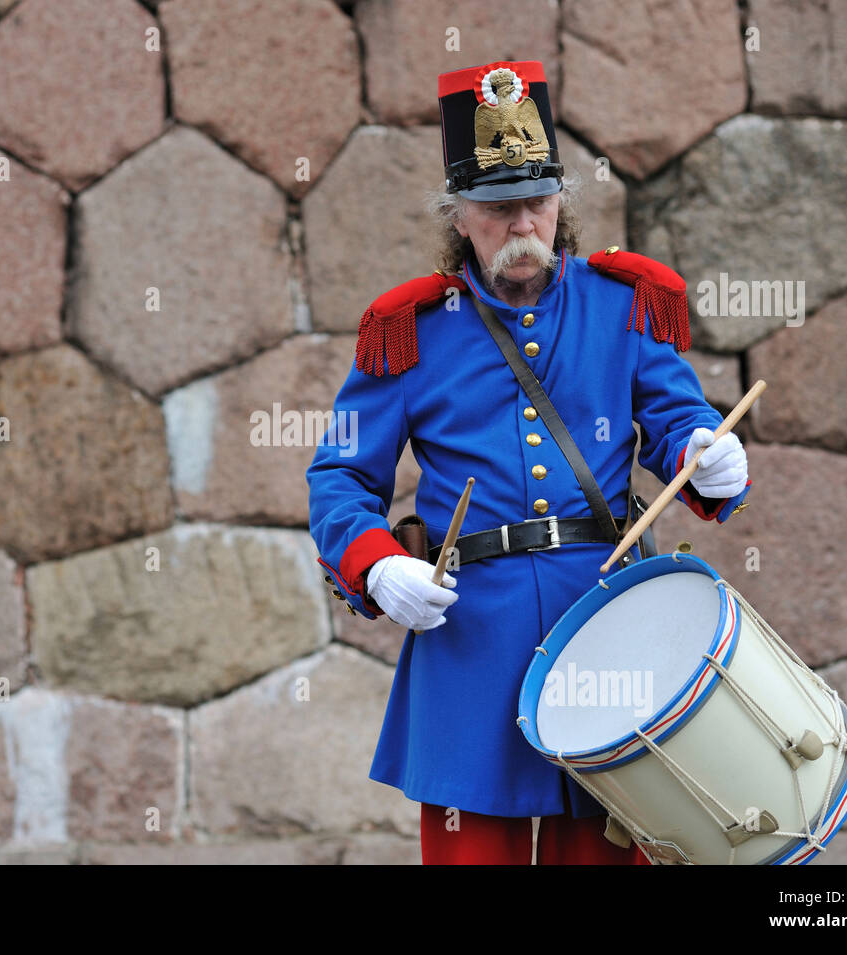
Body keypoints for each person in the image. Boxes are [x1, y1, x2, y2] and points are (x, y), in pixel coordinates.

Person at [305, 60, 751, 865]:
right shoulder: (409, 330)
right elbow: (340, 474)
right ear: (460, 216)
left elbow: (680, 416)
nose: (522, 227)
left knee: (610, 848)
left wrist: (707, 453)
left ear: (560, 203)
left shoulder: (623, 302)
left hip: (609, 620)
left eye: (536, 204)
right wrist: (375, 566)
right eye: (498, 209)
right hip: (470, 632)